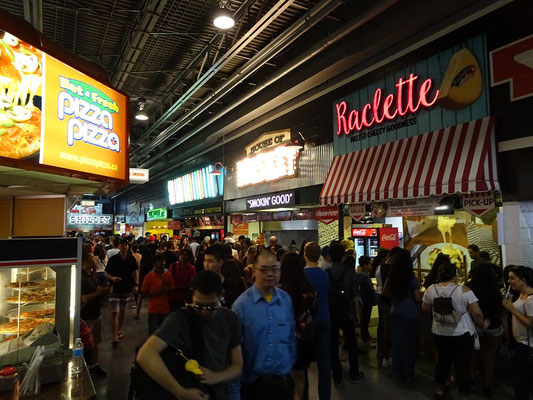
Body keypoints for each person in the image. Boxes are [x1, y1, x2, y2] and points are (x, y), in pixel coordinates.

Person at [136, 270, 243, 400]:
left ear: (221, 295)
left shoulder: (230, 318)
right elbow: (145, 354)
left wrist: (216, 377)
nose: (204, 312)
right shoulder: (180, 319)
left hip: (220, 393)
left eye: (210, 307)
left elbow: (238, 365)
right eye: (198, 305)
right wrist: (179, 391)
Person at [232, 250, 296, 400]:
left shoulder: (285, 300)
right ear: (254, 271)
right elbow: (234, 353)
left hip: (283, 383)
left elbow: (291, 340)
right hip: (253, 386)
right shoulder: (241, 306)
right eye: (264, 269)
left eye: (274, 269)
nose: (270, 274)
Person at [422, 262, 489, 399]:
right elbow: (477, 313)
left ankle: (439, 390)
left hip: (439, 331)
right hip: (461, 333)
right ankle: (463, 393)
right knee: (462, 363)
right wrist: (482, 324)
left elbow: (425, 308)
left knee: (443, 361)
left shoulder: (431, 289)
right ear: (455, 275)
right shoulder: (463, 290)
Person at [279, 252, 318, 400]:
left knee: (287, 377)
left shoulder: (281, 291)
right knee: (301, 375)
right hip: (306, 337)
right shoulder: (309, 289)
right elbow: (315, 311)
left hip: (286, 337)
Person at [327, 243, 364, 386]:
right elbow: (355, 295)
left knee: (333, 343)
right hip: (347, 313)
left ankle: (337, 375)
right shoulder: (350, 272)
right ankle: (354, 373)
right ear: (343, 256)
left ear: (330, 256)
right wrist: (357, 314)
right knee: (352, 343)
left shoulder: (327, 272)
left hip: (332, 313)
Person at [383, 250, 421, 381]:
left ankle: (397, 371)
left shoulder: (392, 277)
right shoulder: (412, 279)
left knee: (397, 342)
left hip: (396, 311)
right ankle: (408, 373)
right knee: (409, 344)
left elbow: (385, 293)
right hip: (410, 312)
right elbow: (417, 298)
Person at [467, 265, 503, 397]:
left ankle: (471, 378)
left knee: (474, 353)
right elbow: (500, 312)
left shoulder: (470, 288)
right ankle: (487, 385)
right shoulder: (495, 290)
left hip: (476, 325)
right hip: (493, 325)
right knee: (489, 356)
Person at [303, 242, 331, 400]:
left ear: (305, 254)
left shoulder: (302, 275)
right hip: (324, 317)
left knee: (304, 362)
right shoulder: (324, 274)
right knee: (324, 363)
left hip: (307, 321)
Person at [502, 265, 533, 400]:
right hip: (520, 343)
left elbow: (531, 324)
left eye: (512, 278)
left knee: (521, 382)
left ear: (523, 280)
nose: (509, 281)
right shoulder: (521, 294)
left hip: (527, 345)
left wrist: (512, 309)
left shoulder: (530, 299)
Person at [80, 251, 110, 377]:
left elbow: (97, 289)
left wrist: (104, 291)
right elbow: (80, 299)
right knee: (85, 344)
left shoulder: (92, 274)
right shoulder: (79, 276)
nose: (95, 258)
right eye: (92, 257)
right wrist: (96, 294)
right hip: (85, 317)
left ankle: (94, 365)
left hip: (96, 314)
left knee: (95, 342)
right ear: (86, 260)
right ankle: (84, 369)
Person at [105, 239, 139, 347]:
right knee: (115, 312)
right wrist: (113, 278)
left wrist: (135, 285)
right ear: (119, 246)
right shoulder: (113, 259)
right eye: (123, 245)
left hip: (126, 289)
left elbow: (135, 272)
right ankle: (115, 336)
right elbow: (106, 273)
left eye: (126, 245)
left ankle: (118, 330)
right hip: (114, 289)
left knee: (123, 312)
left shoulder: (131, 258)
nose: (124, 247)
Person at [141, 254, 175, 334]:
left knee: (164, 333)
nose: (163, 263)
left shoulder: (168, 275)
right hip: (154, 309)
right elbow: (143, 293)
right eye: (160, 261)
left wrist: (167, 289)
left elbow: (172, 289)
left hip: (165, 308)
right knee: (154, 334)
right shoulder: (148, 277)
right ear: (154, 264)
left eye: (163, 261)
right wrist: (157, 292)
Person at [357, 255, 377, 349]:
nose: (371, 266)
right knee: (365, 321)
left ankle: (367, 337)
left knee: (365, 321)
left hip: (364, 302)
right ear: (365, 265)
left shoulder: (360, 274)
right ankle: (365, 341)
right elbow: (367, 290)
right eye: (370, 264)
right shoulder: (363, 276)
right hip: (366, 302)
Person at [133, 245, 155, 320]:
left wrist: (138, 281)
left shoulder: (143, 261)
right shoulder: (152, 262)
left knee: (140, 297)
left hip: (143, 280)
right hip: (152, 280)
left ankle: (137, 314)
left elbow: (140, 271)